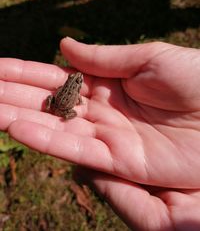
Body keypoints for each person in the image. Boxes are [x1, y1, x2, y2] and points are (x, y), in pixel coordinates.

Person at [0, 37, 200, 230]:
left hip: (55, 104)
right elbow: (77, 100)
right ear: (74, 83)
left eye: (77, 80)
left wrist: (57, 99)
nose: (77, 79)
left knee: (51, 100)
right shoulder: (77, 92)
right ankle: (64, 115)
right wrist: (76, 105)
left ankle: (53, 110)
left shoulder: (65, 86)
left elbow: (62, 92)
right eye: (75, 79)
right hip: (64, 109)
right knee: (68, 111)